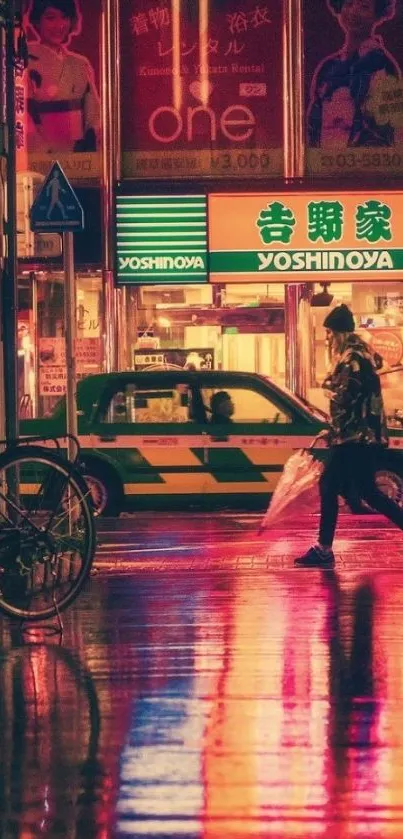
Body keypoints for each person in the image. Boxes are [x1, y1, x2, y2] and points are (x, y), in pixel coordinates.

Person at [295, 304, 403, 568]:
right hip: (359, 437)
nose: (328, 338)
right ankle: (323, 548)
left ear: (339, 332)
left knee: (330, 485)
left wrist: (328, 389)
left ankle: (323, 549)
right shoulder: (359, 356)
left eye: (330, 333)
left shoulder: (352, 359)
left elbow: (346, 398)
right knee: (367, 491)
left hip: (355, 438)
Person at [307, 0, 401, 148]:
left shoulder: (382, 65)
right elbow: (313, 123)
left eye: (364, 7)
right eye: (349, 4)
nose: (353, 12)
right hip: (325, 160)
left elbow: (385, 129)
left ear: (377, 14)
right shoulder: (328, 66)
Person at [26, 0, 100, 153]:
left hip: (78, 149)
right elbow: (24, 114)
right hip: (42, 149)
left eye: (65, 17)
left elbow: (93, 112)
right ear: (37, 21)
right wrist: (43, 149)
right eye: (50, 18)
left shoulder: (79, 63)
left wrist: (90, 139)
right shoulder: (25, 59)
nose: (59, 25)